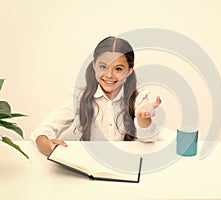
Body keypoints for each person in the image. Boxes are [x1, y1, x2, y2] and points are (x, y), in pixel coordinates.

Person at [31, 36, 161, 156]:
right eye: (103, 66)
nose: (109, 75)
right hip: (90, 165)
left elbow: (149, 139)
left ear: (129, 71)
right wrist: (46, 145)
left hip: (126, 164)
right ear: (94, 65)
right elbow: (43, 130)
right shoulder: (78, 97)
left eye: (118, 69)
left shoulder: (138, 99)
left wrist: (143, 119)